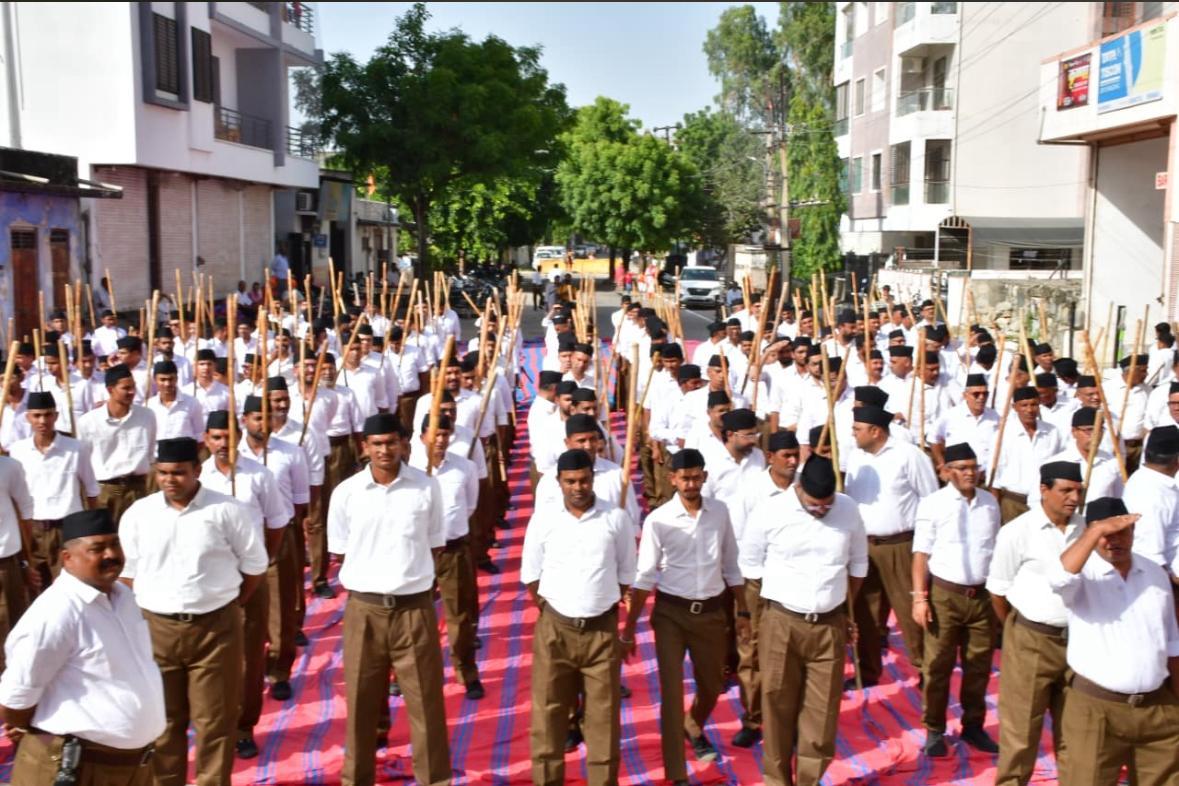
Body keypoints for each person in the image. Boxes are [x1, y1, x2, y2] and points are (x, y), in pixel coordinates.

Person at [118, 437, 268, 786]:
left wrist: (228, 604)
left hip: (215, 630)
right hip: (156, 630)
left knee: (215, 720)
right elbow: (128, 575)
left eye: (179, 473)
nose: (170, 480)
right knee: (163, 721)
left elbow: (254, 566)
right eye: (163, 473)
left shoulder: (227, 510)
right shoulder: (139, 514)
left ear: (197, 471)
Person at [326, 413, 451, 786]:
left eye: (391, 442)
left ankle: (434, 780)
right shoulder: (346, 493)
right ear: (364, 447)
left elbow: (435, 543)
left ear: (403, 444)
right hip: (364, 609)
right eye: (377, 444)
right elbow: (340, 552)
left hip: (414, 609)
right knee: (361, 703)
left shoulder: (427, 488)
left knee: (426, 702)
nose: (385, 450)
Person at [0, 509, 166, 786]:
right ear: (68, 558)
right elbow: (15, 700)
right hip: (74, 768)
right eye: (97, 549)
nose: (111, 554)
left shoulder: (123, 596)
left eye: (114, 544)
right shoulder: (57, 612)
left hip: (133, 766)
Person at [623, 448, 747, 785]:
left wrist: (743, 610)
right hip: (671, 615)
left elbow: (731, 565)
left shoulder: (720, 512)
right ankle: (676, 772)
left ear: (704, 477)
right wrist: (629, 628)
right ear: (672, 479)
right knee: (671, 691)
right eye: (684, 478)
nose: (691, 484)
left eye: (696, 477)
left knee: (713, 685)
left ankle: (694, 725)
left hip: (711, 613)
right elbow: (645, 576)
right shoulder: (658, 520)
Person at [741, 456, 867, 786]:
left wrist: (843, 608)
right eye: (814, 504)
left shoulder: (848, 509)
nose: (822, 510)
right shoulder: (770, 511)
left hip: (829, 626)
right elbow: (750, 566)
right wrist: (759, 617)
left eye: (827, 505)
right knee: (777, 707)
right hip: (782, 621)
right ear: (799, 488)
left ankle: (810, 780)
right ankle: (777, 780)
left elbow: (857, 565)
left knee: (822, 715)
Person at [521, 448, 636, 786]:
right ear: (559, 482)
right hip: (555, 629)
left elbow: (625, 574)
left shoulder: (616, 519)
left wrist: (598, 602)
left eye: (583, 480)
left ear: (592, 479)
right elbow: (532, 576)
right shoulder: (543, 519)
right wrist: (555, 610)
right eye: (570, 481)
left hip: (601, 631)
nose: (578, 488)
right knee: (548, 716)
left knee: (603, 720)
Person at [1050, 497, 1179, 786]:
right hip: (1096, 709)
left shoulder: (1155, 574)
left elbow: (1172, 643)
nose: (1113, 541)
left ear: (1133, 531)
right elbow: (1058, 578)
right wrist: (1095, 530)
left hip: (1157, 708)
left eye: (1121, 532)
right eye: (1105, 534)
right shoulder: (1082, 574)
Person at [985, 460, 1084, 786]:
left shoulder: (1086, 530)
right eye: (1065, 490)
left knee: (1076, 732)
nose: (1074, 498)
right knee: (1021, 730)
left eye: (1078, 491)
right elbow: (998, 591)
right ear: (1044, 490)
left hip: (1079, 644)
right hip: (1031, 639)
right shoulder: (1017, 532)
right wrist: (1019, 630)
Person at [911, 443, 1001, 757]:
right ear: (947, 471)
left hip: (982, 597)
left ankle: (973, 725)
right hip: (944, 597)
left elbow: (995, 549)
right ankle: (935, 729)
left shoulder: (990, 502)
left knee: (979, 666)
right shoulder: (933, 504)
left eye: (973, 467)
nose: (969, 473)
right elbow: (921, 554)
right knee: (938, 665)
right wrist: (919, 598)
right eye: (962, 468)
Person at [844, 404, 936, 688]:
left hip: (901, 546)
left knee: (911, 612)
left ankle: (926, 671)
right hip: (864, 547)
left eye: (857, 429)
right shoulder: (855, 457)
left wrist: (925, 546)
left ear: (875, 431)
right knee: (866, 614)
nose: (853, 433)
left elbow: (931, 500)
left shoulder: (910, 455)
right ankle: (868, 671)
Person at [408, 414, 483, 699]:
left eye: (445, 435)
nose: (440, 441)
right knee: (415, 615)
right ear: (422, 437)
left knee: (460, 615)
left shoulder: (465, 467)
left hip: (453, 550)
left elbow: (470, 506)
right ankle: (413, 674)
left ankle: (467, 672)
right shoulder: (410, 471)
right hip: (419, 551)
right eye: (435, 435)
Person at [9, 391, 98, 587]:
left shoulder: (76, 448)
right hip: (34, 530)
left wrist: (91, 529)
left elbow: (92, 490)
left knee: (71, 585)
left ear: (56, 416)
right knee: (37, 586)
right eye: (37, 416)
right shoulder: (18, 451)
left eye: (48, 415)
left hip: (68, 528)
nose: (43, 421)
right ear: (28, 418)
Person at [76, 365, 156, 525]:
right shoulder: (88, 422)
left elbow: (150, 452)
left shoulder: (147, 416)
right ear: (110, 390)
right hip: (106, 491)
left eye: (133, 387)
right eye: (126, 388)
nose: (132, 392)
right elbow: (83, 463)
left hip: (137, 488)